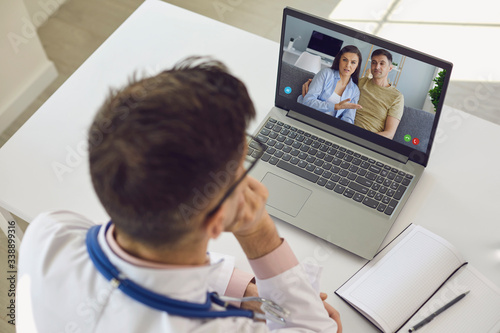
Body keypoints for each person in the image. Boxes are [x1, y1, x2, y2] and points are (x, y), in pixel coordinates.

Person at [17, 57, 342, 332]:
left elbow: (152, 265)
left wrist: (247, 292)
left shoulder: (49, 233)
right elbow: (315, 327)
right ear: (217, 221)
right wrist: (258, 230)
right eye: (240, 167)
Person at [301, 49, 404, 140]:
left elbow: (389, 134)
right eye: (374, 62)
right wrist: (312, 81)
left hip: (369, 138)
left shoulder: (397, 97)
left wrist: (364, 139)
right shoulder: (359, 84)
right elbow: (340, 81)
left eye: (382, 63)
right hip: (343, 132)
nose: (377, 67)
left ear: (390, 68)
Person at [297, 45, 362, 124]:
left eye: (353, 62)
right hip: (309, 117)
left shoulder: (355, 91)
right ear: (339, 60)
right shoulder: (326, 74)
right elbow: (308, 101)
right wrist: (335, 106)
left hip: (329, 126)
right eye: (345, 60)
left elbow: (348, 119)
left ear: (357, 66)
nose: (348, 65)